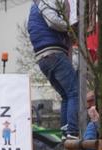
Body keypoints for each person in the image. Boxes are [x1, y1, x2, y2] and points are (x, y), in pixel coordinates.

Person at [27, 0, 79, 139]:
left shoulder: (35, 8)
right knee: (75, 92)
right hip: (53, 53)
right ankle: (73, 132)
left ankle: (65, 130)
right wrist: (70, 27)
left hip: (44, 58)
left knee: (66, 95)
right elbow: (53, 21)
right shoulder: (47, 1)